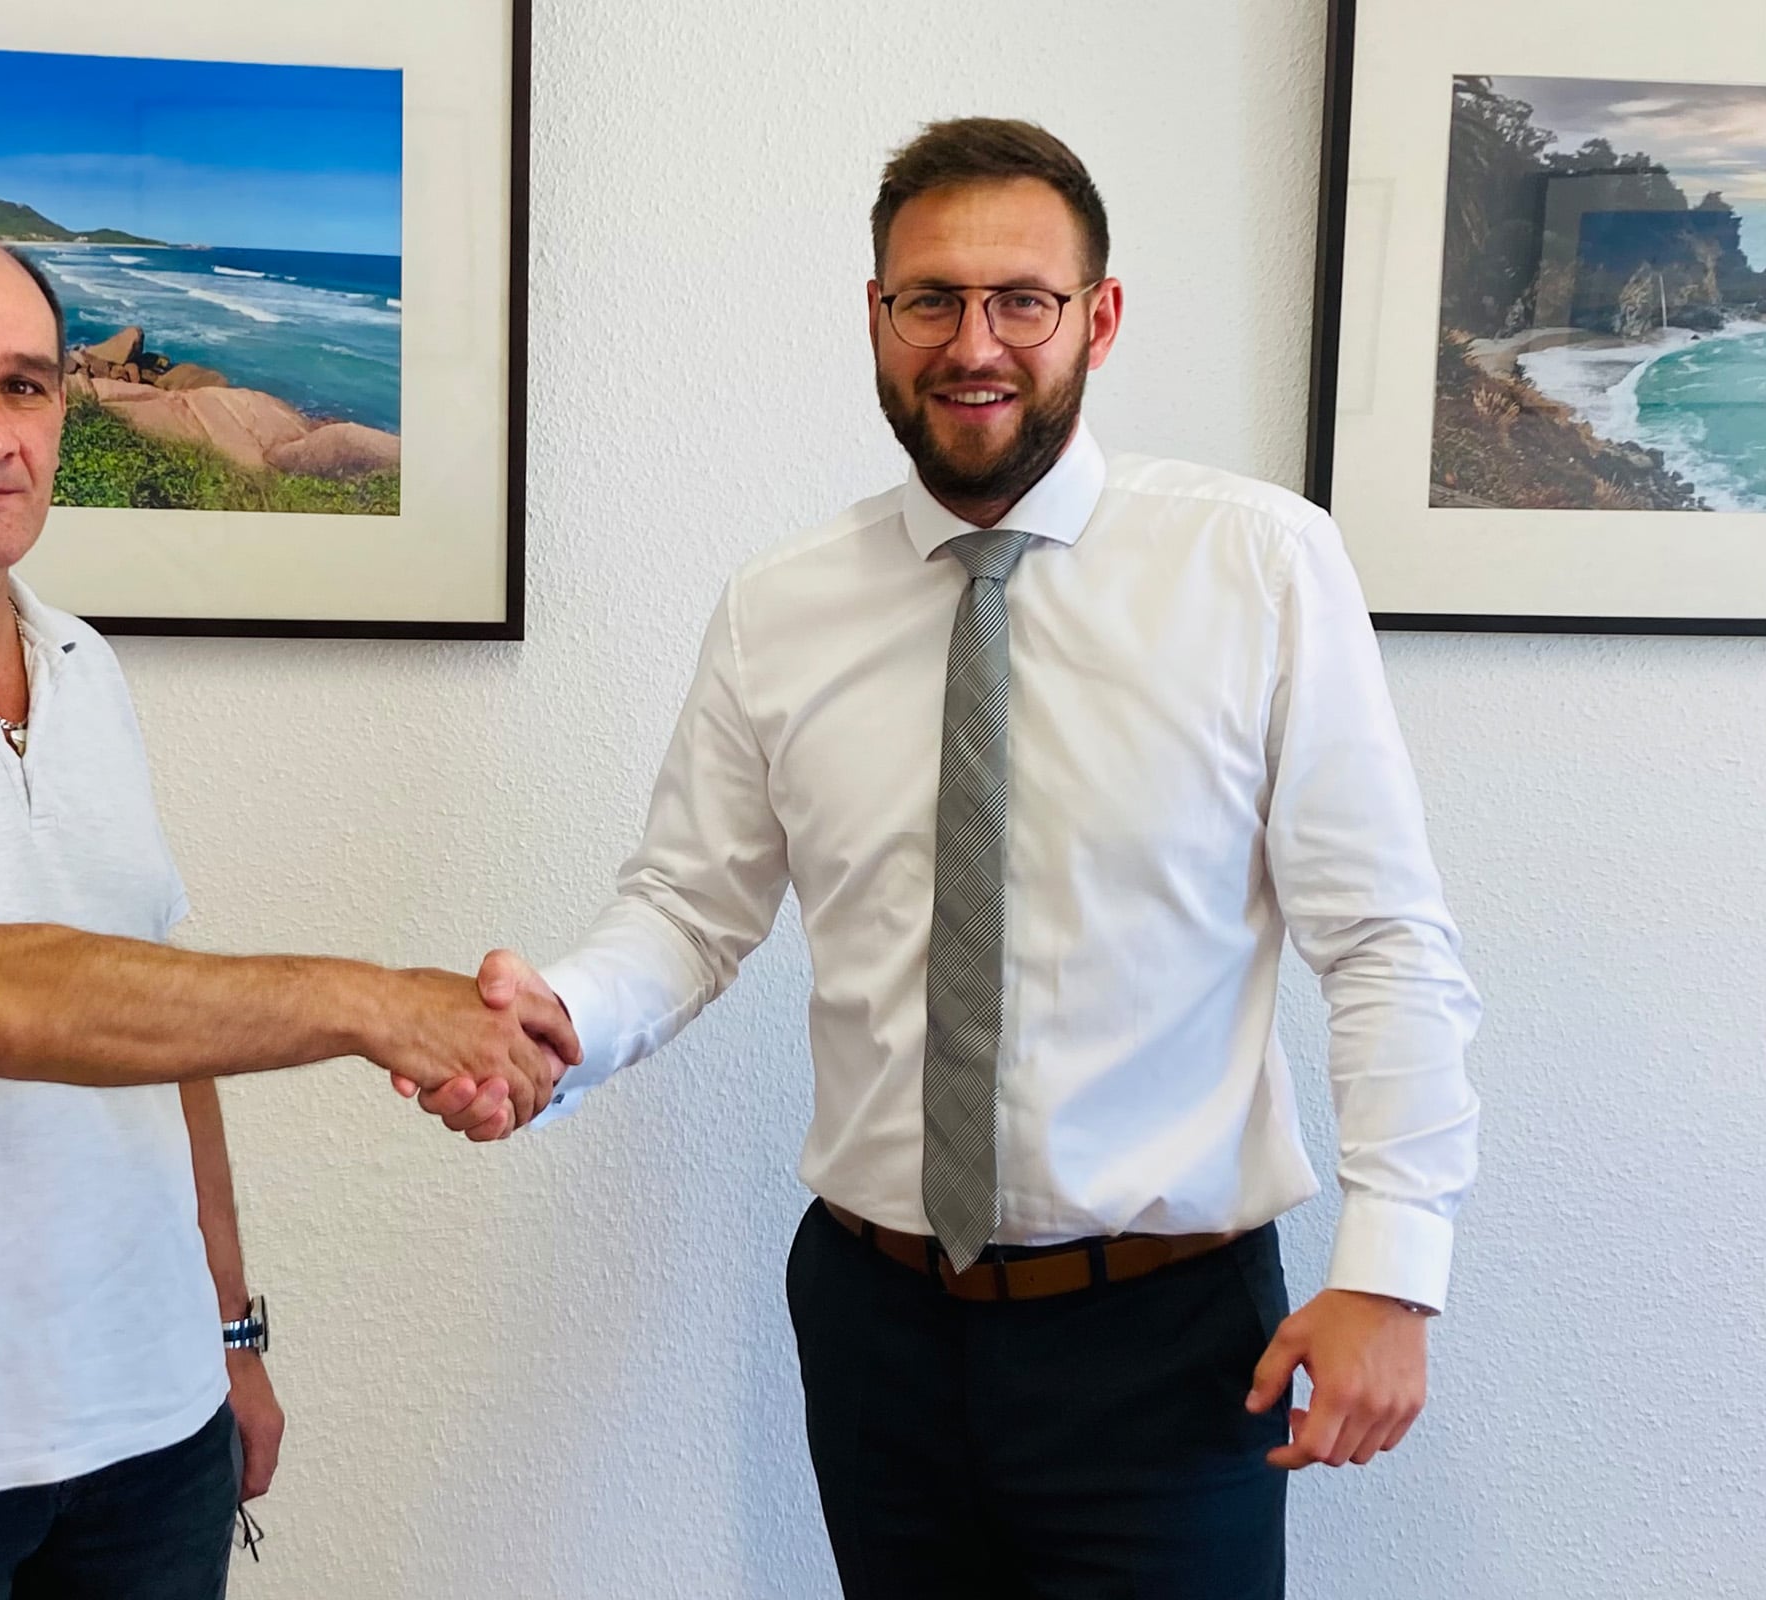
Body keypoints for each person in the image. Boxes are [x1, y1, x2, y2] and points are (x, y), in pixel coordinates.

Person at [411, 118, 1481, 1596]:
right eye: (931, 300)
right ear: (878, 316)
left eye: (1021, 300)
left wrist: (1392, 1271)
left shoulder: (1259, 568)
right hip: (880, 1329)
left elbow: (1383, 941)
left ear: (1099, 317)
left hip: (1168, 1342)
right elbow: (690, 906)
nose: (974, 344)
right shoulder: (781, 608)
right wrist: (562, 1024)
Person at [0, 224, 575, 1600]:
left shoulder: (81, 664)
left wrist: (230, 1334)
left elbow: (159, 1022)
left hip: (154, 1428)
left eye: (24, 384)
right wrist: (377, 1003)